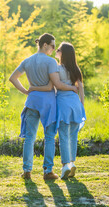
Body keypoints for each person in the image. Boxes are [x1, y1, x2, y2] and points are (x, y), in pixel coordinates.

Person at [9, 33, 77, 180]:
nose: (53, 49)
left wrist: (27, 91)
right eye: (52, 45)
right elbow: (52, 86)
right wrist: (72, 88)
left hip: (32, 102)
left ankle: (27, 170)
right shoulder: (51, 62)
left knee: (29, 138)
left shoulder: (27, 61)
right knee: (50, 138)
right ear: (45, 45)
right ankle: (48, 171)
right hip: (48, 104)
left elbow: (12, 78)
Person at [29, 42, 86, 179]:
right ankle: (72, 163)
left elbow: (55, 85)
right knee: (73, 136)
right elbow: (81, 87)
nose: (56, 51)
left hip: (63, 103)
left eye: (58, 49)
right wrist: (82, 105)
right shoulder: (75, 69)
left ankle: (65, 165)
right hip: (75, 103)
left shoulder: (57, 68)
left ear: (62, 53)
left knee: (63, 137)